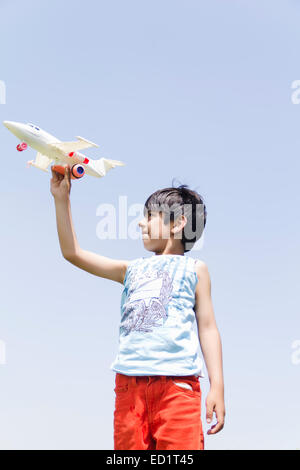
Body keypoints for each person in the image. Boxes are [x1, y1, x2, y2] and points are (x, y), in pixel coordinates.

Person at [50, 164, 225, 450]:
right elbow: (73, 253)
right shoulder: (130, 269)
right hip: (129, 389)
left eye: (149, 217)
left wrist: (217, 385)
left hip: (178, 389)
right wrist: (61, 198)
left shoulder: (196, 269)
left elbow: (208, 328)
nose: (141, 224)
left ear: (178, 223)